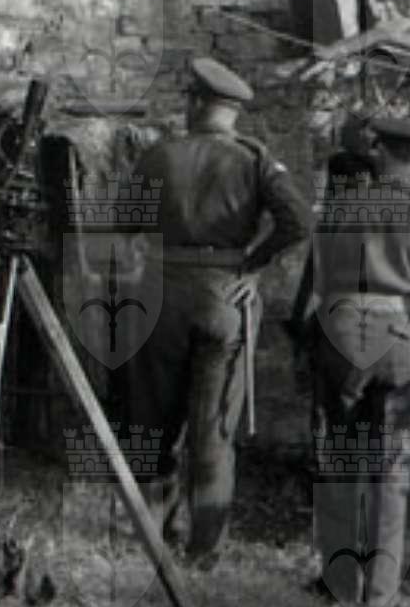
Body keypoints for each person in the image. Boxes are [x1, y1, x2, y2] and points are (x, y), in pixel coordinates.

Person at [121, 56, 312, 563]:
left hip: (159, 294)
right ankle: (203, 551)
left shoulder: (159, 155)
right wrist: (253, 266)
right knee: (214, 430)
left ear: (195, 103)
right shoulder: (253, 159)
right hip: (223, 295)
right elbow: (298, 220)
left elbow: (123, 223)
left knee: (152, 423)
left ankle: (152, 539)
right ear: (233, 112)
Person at [295, 113, 410, 607]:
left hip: (340, 334)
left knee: (342, 461)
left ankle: (342, 584)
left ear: (381, 153)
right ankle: (381, 593)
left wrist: (308, 348)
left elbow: (307, 295)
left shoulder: (339, 210)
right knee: (391, 468)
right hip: (398, 339)